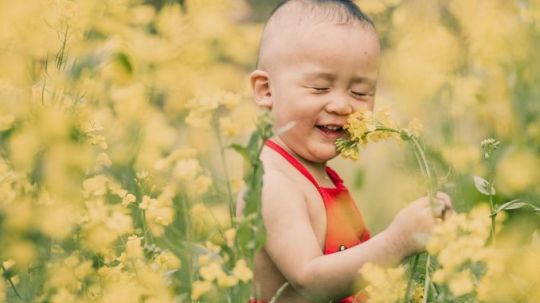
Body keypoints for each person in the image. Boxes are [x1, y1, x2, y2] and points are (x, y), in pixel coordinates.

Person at [236, 1, 453, 302]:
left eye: (360, 92)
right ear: (266, 90)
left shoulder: (318, 176)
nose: (342, 105)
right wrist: (396, 242)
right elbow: (309, 281)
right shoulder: (272, 183)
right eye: (320, 87)